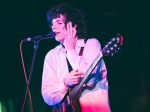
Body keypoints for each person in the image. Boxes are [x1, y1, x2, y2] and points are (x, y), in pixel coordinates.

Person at [41, 3, 111, 112]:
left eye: (59, 22)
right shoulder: (52, 56)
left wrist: (71, 50)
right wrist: (65, 83)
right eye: (52, 23)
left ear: (73, 25)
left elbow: (90, 81)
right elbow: (48, 97)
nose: (53, 27)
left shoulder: (91, 45)